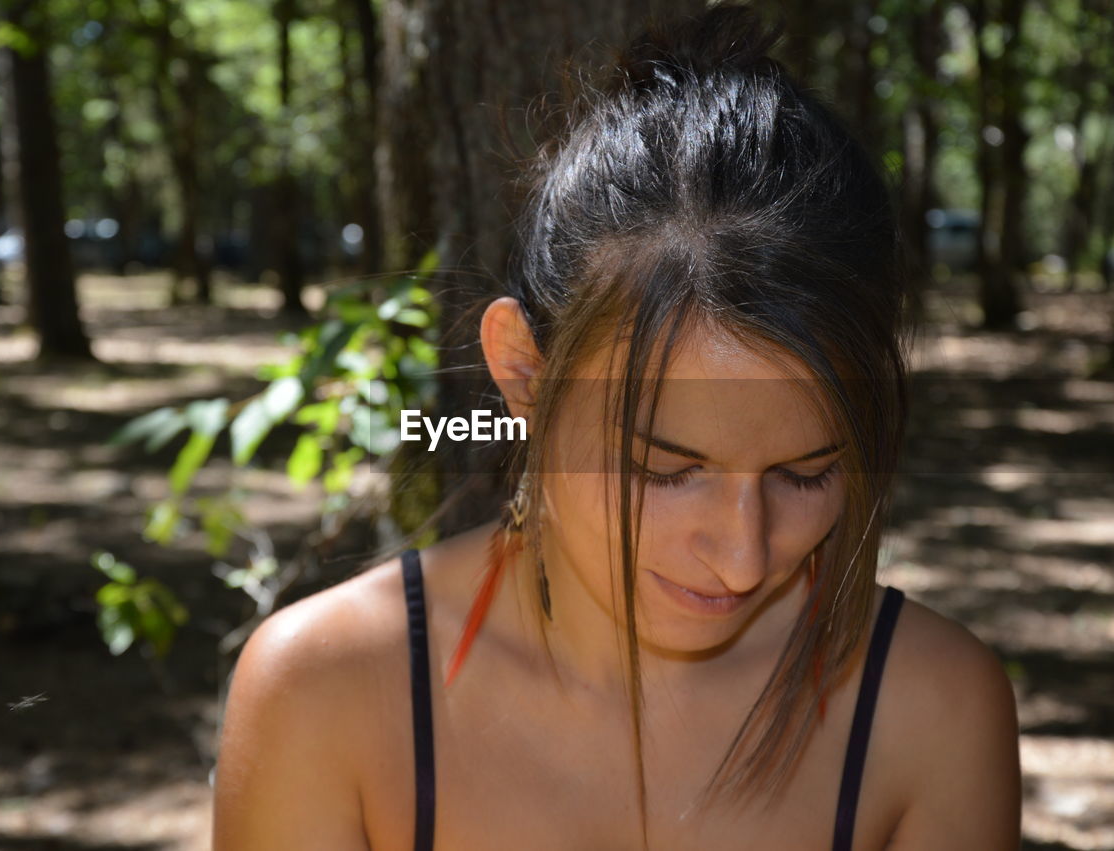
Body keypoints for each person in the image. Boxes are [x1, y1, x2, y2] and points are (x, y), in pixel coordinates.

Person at [210, 4, 1022, 848]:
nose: (744, 557)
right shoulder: (328, 693)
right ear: (522, 370)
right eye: (665, 470)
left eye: (806, 473)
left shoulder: (929, 710)